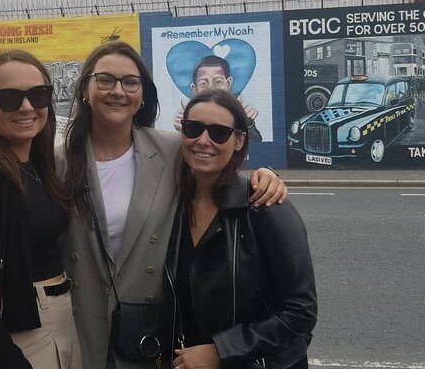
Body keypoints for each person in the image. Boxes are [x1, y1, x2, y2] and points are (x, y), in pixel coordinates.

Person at [58, 41, 288, 369]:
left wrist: (263, 177)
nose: (117, 91)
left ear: (142, 95)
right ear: (85, 88)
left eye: (130, 82)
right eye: (105, 79)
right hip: (78, 325)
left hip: (146, 331)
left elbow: (216, 170)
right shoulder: (57, 161)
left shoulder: (170, 150)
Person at [0, 50, 81, 368]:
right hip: (24, 329)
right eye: (9, 97)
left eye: (39, 94)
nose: (27, 107)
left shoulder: (36, 164)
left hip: (60, 316)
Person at [166, 89, 317, 369]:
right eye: (193, 128)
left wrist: (221, 352)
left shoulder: (265, 207)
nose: (203, 140)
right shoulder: (169, 207)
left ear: (239, 141)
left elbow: (301, 312)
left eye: (219, 132)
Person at [173, 55, 262, 141]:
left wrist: (248, 124)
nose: (211, 88)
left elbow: (256, 145)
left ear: (228, 83)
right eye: (203, 83)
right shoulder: (188, 117)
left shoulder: (237, 113)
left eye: (218, 82)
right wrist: (186, 130)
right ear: (194, 89)